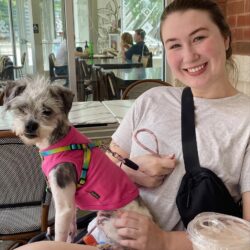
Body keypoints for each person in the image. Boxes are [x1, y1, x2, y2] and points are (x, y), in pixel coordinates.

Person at [16, 0, 250, 249]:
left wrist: (165, 241)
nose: (189, 55)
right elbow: (101, 164)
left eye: (199, 38)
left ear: (226, 38)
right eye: (174, 45)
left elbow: (246, 235)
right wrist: (131, 171)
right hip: (102, 234)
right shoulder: (152, 99)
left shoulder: (244, 120)